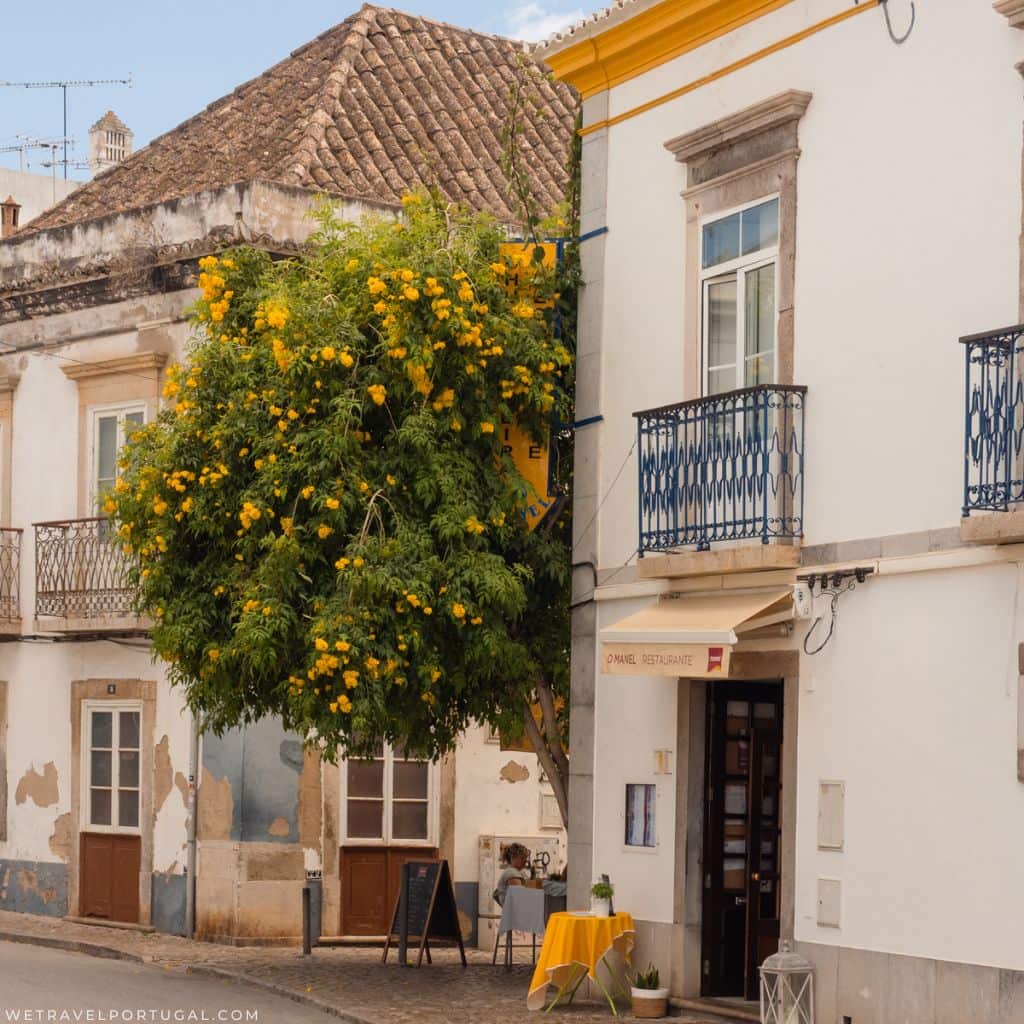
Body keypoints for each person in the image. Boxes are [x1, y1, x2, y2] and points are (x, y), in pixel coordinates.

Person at [492, 842, 531, 907]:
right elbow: (520, 897)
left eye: (526, 858)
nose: (525, 861)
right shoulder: (511, 873)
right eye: (522, 858)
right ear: (513, 858)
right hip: (515, 910)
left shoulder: (521, 872)